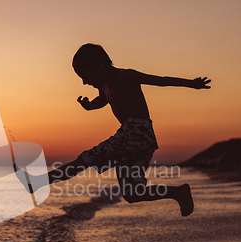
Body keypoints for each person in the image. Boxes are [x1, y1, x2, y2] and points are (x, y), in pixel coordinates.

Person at [16, 43, 211, 216]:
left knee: (85, 159)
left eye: (85, 77)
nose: (84, 82)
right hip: (141, 139)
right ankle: (178, 192)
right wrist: (90, 106)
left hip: (135, 132)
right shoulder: (105, 86)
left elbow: (160, 80)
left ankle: (37, 182)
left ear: (101, 68)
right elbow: (103, 99)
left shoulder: (125, 76)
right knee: (132, 194)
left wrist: (192, 84)